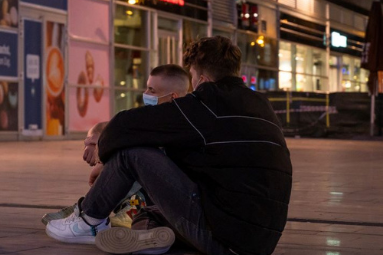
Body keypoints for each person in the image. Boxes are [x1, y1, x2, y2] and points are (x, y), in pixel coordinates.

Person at [46, 36, 292, 255]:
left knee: (133, 153)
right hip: (259, 241)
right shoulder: (261, 105)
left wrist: (105, 158)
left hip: (225, 237)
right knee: (151, 211)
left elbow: (124, 126)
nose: (193, 87)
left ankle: (88, 221)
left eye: (193, 79)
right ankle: (151, 235)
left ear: (203, 79)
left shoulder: (206, 104)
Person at [42, 64, 191, 228]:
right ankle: (89, 209)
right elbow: (105, 126)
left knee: (131, 153)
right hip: (148, 194)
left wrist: (104, 158)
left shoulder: (183, 125)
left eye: (152, 91)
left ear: (173, 97)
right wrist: (93, 142)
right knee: (121, 145)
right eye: (147, 89)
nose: (146, 94)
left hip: (169, 200)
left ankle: (105, 214)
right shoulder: (151, 117)